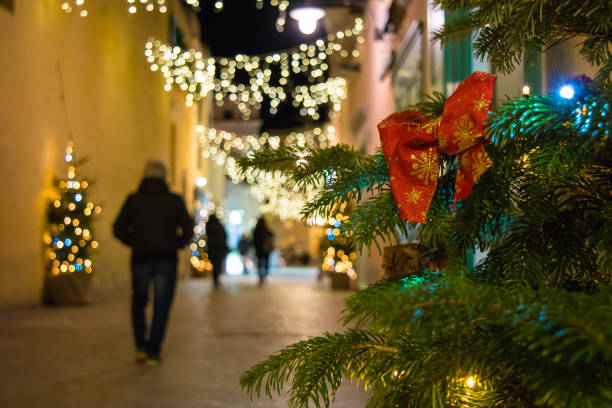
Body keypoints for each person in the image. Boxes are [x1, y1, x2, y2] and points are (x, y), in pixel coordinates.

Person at [113, 159, 193, 366]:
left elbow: (118, 228)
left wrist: (134, 242)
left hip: (140, 258)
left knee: (138, 302)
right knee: (162, 305)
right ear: (164, 176)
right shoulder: (174, 201)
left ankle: (140, 346)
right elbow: (189, 229)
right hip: (166, 259)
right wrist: (176, 244)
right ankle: (153, 351)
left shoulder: (134, 200)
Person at [204, 214, 228, 288]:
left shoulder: (209, 226)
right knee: (218, 263)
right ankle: (216, 277)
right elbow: (225, 236)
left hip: (212, 248)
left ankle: (215, 278)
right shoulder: (219, 226)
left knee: (214, 263)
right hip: (219, 248)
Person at [253, 216, 274, 286]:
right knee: (266, 261)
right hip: (266, 249)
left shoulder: (256, 230)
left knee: (259, 262)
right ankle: (265, 273)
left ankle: (260, 275)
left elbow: (254, 240)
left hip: (258, 249)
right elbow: (272, 236)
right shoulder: (267, 230)